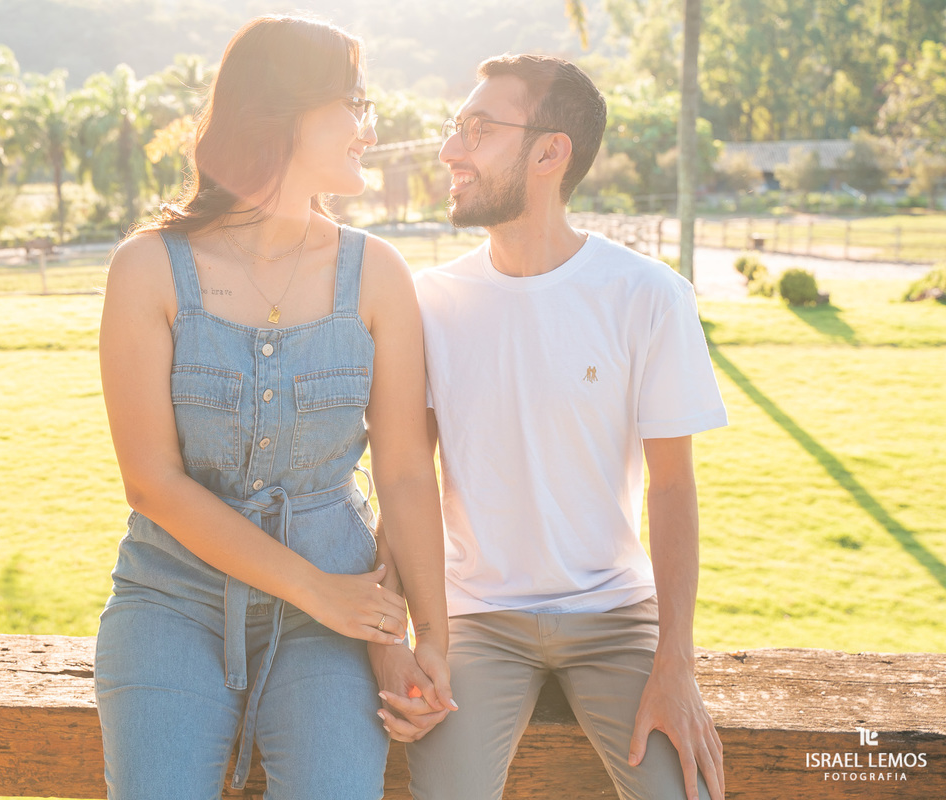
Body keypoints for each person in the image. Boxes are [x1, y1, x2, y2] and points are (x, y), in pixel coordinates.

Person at [93, 14, 452, 800]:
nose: (368, 125)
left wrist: (429, 638)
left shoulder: (377, 273)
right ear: (285, 111)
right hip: (171, 601)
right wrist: (317, 586)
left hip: (334, 620)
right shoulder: (148, 268)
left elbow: (403, 472)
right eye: (353, 102)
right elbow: (151, 483)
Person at [369, 54, 728, 800]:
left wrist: (676, 664)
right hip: (474, 620)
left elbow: (672, 488)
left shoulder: (649, 296)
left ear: (549, 151)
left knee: (686, 793)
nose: (448, 151)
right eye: (453, 128)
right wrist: (393, 643)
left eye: (476, 129)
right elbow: (406, 481)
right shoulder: (429, 301)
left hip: (615, 616)